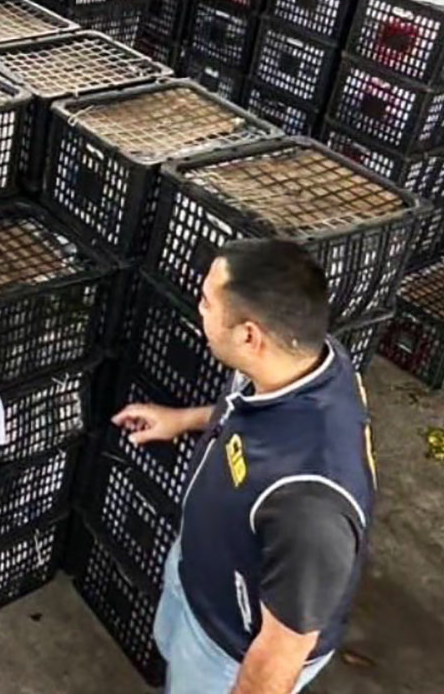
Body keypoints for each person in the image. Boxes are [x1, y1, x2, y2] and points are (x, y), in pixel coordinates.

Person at [113, 239, 376, 694]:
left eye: (206, 302)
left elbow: (279, 657)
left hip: (227, 650)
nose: (199, 309)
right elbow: (245, 408)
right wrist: (183, 420)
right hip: (198, 570)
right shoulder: (300, 355)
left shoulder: (310, 507)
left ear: (249, 336)